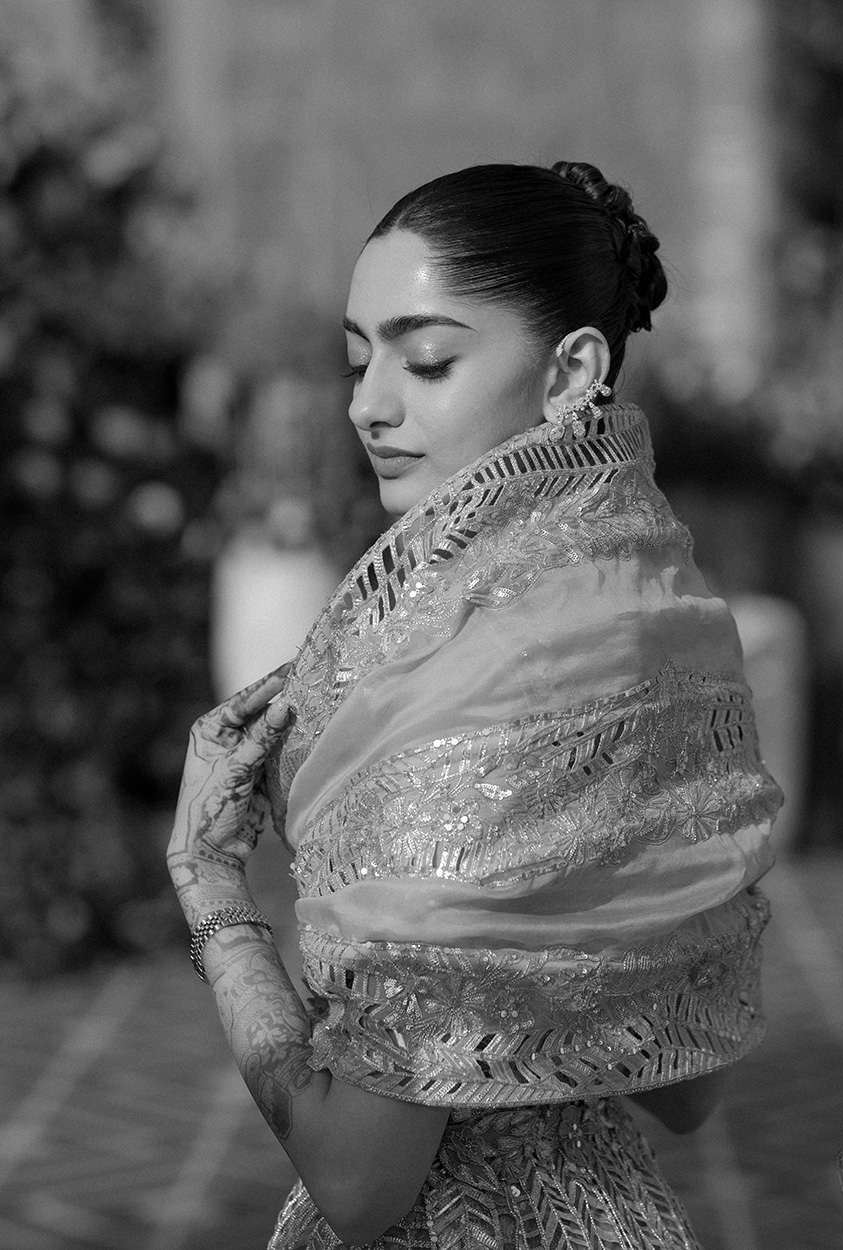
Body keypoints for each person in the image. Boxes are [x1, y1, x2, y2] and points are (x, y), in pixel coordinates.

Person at [167, 161, 782, 1250]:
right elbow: (684, 1085)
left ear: (571, 371)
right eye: (358, 358)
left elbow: (360, 1182)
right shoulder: (659, 630)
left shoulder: (475, 689)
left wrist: (210, 887)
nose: (368, 403)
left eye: (427, 360)